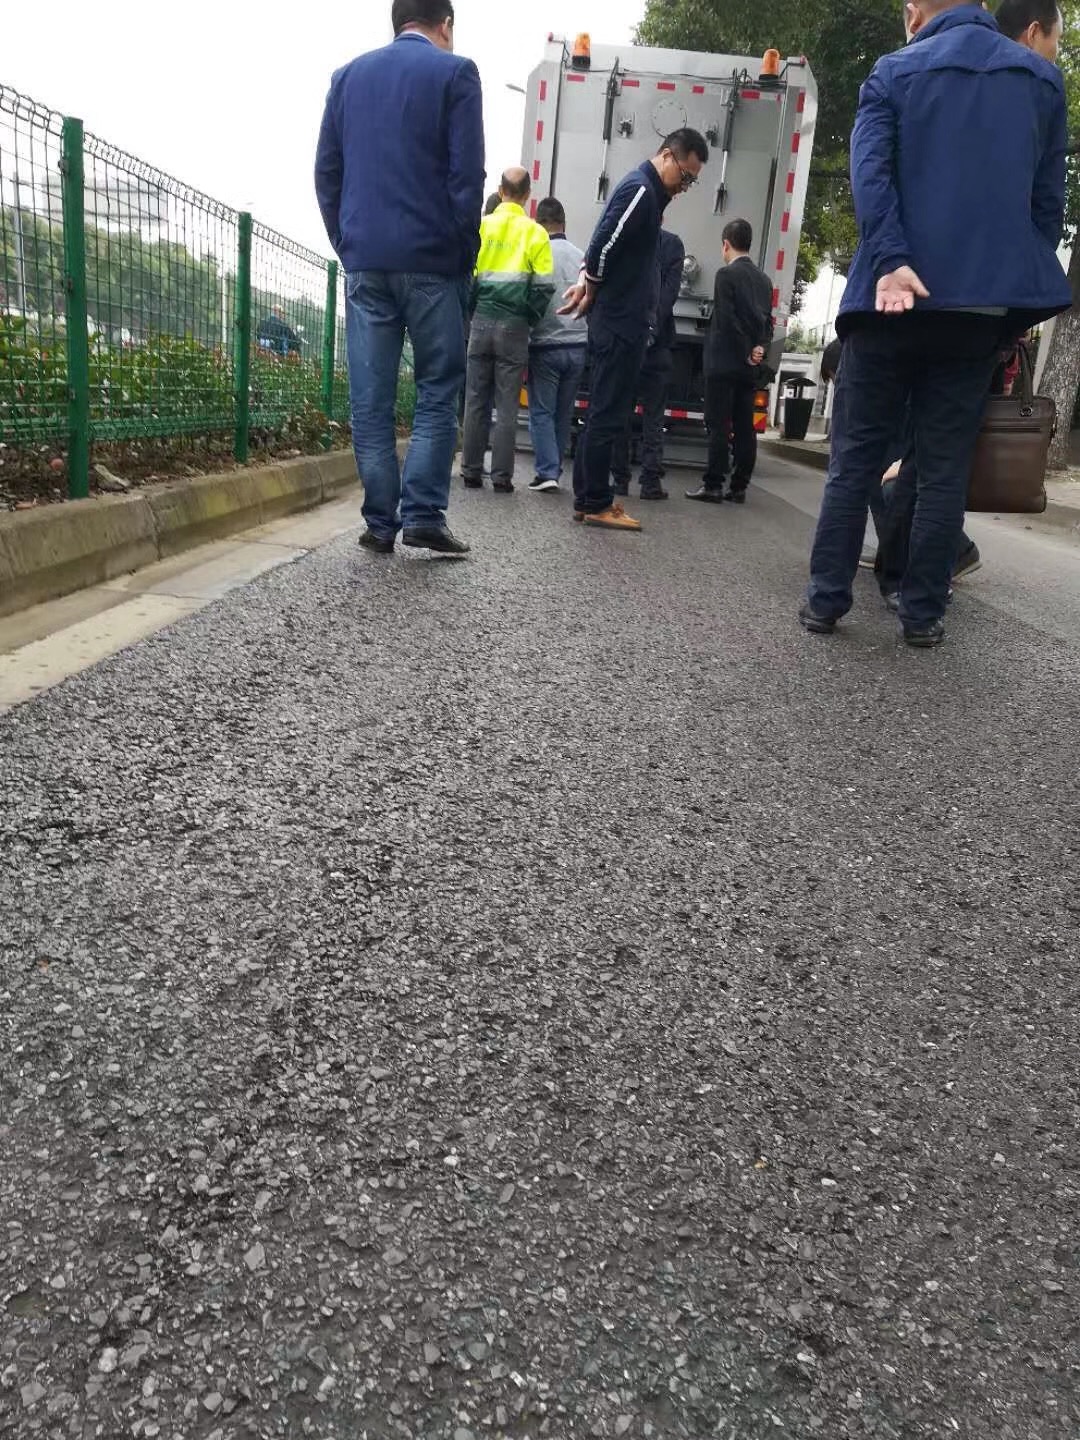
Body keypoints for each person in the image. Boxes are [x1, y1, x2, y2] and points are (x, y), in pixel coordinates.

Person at [799, 0, 1070, 647]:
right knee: (944, 469)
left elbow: (871, 176)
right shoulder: (1040, 81)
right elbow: (1045, 207)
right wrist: (1009, 299)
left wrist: (893, 260)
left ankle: (826, 601)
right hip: (975, 312)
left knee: (856, 460)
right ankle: (922, 614)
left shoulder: (893, 71)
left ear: (915, 12)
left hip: (886, 302)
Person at [315, 0, 484, 557]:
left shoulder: (347, 78)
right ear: (445, 24)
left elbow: (327, 173)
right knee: (437, 386)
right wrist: (462, 255)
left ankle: (380, 522)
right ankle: (424, 514)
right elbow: (467, 178)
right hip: (434, 262)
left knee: (371, 399)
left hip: (366, 261)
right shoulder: (457, 74)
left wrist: (348, 243)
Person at [560, 129, 709, 531]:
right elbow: (602, 245)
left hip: (622, 322)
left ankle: (589, 499)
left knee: (605, 412)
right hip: (620, 324)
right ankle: (596, 502)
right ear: (667, 156)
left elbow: (605, 242)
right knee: (607, 414)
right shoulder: (641, 190)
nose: (684, 186)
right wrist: (591, 283)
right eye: (685, 175)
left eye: (692, 181)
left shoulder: (647, 193)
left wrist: (588, 281)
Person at [460, 167, 554, 493]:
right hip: (515, 325)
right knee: (507, 404)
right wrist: (528, 316)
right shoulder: (536, 234)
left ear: (500, 191)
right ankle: (501, 477)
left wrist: (473, 311)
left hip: (481, 319)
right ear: (527, 195)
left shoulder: (481, 227)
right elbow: (544, 286)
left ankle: (471, 471)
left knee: (475, 399)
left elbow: (467, 277)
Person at [686, 218, 773, 505]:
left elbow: (726, 320)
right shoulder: (764, 281)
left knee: (718, 424)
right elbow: (768, 323)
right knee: (745, 427)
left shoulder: (725, 275)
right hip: (749, 368)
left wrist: (745, 349)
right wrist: (759, 349)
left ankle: (713, 484)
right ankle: (739, 486)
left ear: (726, 244)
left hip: (724, 363)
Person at [611, 222, 685, 501]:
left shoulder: (627, 240)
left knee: (621, 412)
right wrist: (653, 327)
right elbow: (670, 294)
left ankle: (620, 479)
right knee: (654, 416)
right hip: (659, 344)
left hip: (628, 340)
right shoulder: (673, 245)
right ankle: (650, 481)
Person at [526, 197, 587, 494]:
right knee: (564, 413)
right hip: (578, 343)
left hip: (546, 344)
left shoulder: (537, 253)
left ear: (538, 224)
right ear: (564, 223)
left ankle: (547, 471)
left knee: (541, 411)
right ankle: (556, 468)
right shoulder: (581, 256)